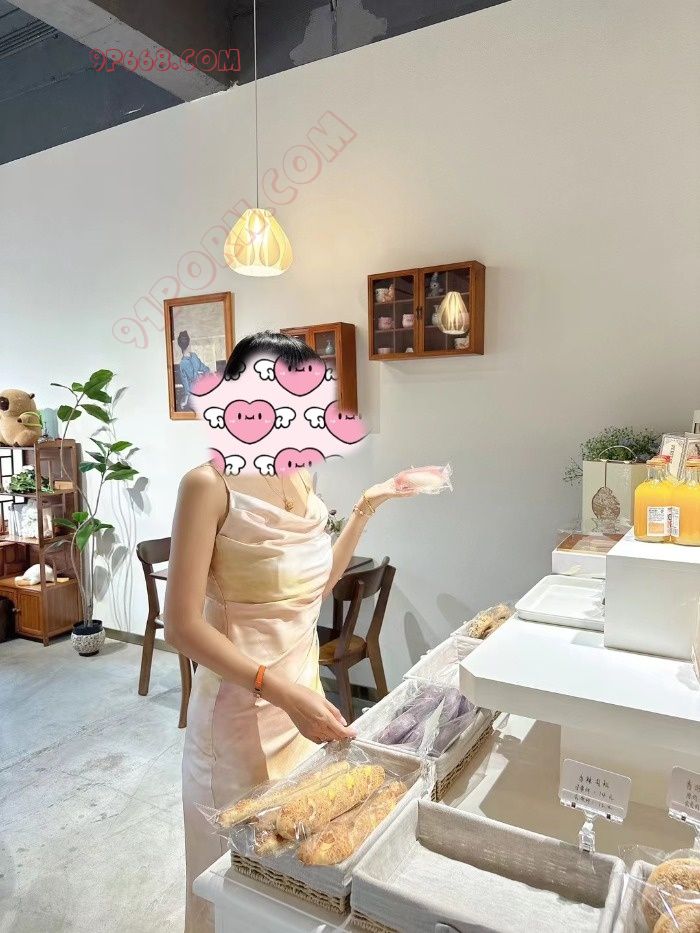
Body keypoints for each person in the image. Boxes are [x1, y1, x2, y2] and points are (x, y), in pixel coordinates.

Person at [164, 331, 416, 932]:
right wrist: (281, 692)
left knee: (295, 884)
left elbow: (312, 591)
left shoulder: (300, 477)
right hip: (238, 720)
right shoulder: (208, 484)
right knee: (233, 887)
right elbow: (180, 625)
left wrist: (365, 509)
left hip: (303, 707)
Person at [176, 330, 210, 411]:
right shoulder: (194, 356)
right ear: (188, 343)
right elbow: (206, 369)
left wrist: (185, 401)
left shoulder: (182, 364)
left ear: (179, 345)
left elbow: (186, 388)